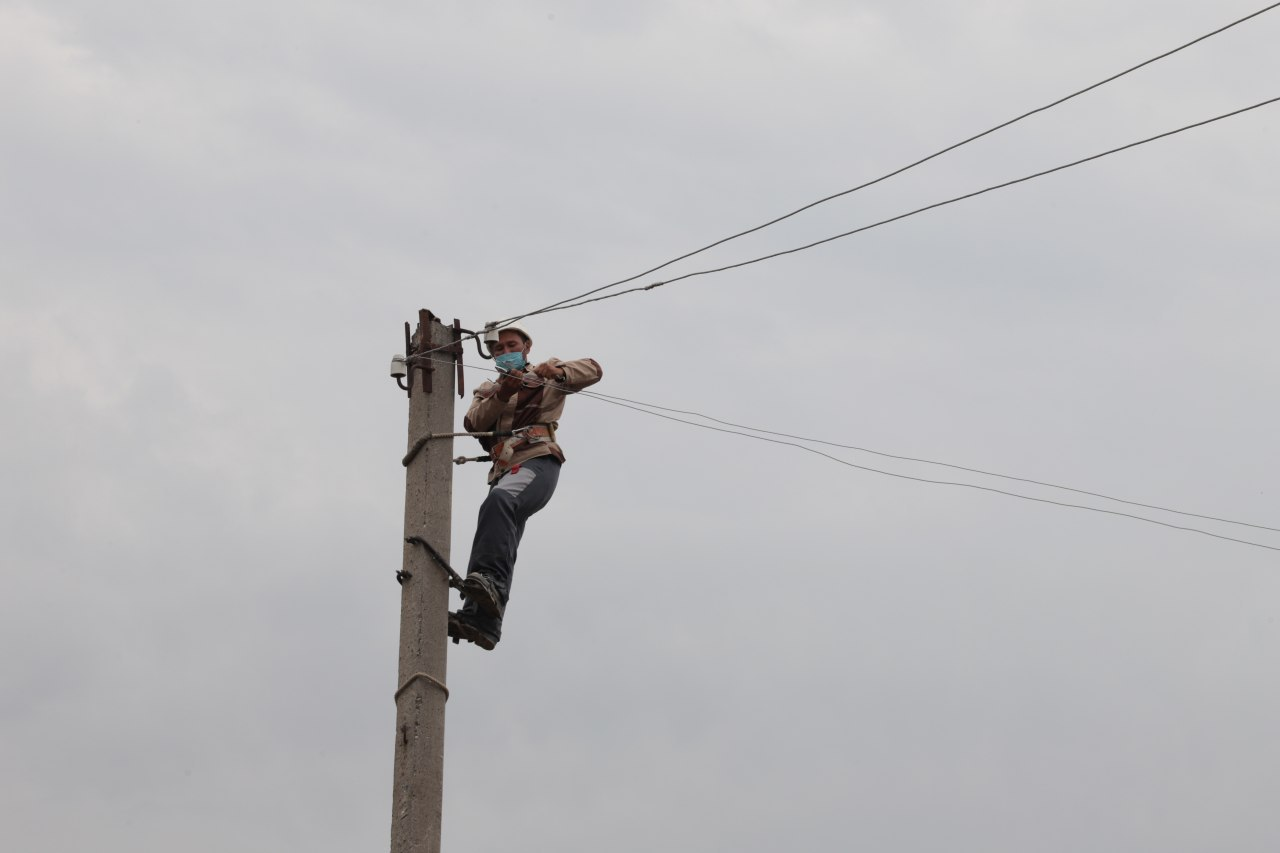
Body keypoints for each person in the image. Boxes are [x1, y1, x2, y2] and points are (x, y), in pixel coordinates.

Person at [448, 322, 603, 650]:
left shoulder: (546, 374)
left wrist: (557, 372)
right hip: (505, 469)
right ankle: (481, 619)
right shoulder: (488, 389)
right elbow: (474, 423)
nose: (506, 352)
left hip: (537, 460)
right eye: (498, 349)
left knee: (498, 504)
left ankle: (490, 583)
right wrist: (504, 392)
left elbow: (592, 370)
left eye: (512, 346)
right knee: (496, 531)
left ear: (526, 347)